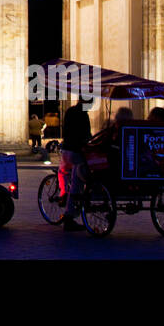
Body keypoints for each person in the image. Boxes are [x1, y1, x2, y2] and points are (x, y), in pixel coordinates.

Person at [60, 96, 93, 231]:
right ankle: (69, 216)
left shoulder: (70, 111)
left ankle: (63, 194)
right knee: (77, 183)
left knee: (63, 172)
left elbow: (66, 129)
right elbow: (87, 135)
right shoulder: (83, 114)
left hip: (66, 149)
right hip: (76, 151)